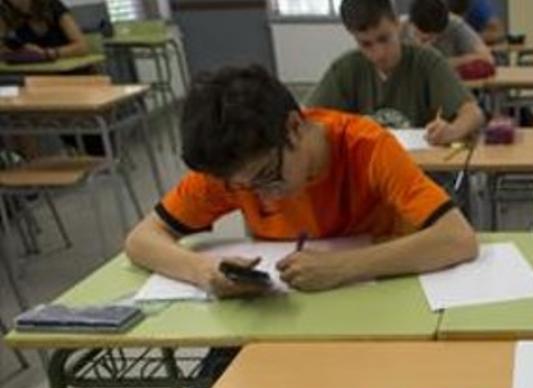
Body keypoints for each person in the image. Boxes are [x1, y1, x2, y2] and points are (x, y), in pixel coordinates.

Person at [125, 64, 478, 299]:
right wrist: (203, 270)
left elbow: (457, 238)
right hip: (284, 317)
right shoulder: (235, 167)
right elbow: (141, 240)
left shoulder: (366, 146)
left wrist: (343, 267)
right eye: (244, 188)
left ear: (294, 127)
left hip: (378, 300)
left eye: (267, 177)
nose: (263, 196)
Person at [308, 0, 484, 146]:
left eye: (384, 39)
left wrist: (452, 131)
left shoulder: (427, 62)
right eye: (365, 44)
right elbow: (309, 120)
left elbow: (473, 113)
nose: (379, 54)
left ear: (397, 25)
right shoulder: (345, 69)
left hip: (423, 173)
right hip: (370, 175)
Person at [400, 0, 493, 68]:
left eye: (435, 37)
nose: (430, 43)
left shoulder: (454, 24)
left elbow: (487, 58)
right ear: (412, 24)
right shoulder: (399, 28)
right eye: (424, 40)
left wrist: (442, 63)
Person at [0, 0, 89, 61]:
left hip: (72, 71)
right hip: (36, 75)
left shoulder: (52, 5)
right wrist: (17, 53)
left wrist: (47, 54)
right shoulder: (5, 12)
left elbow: (82, 46)